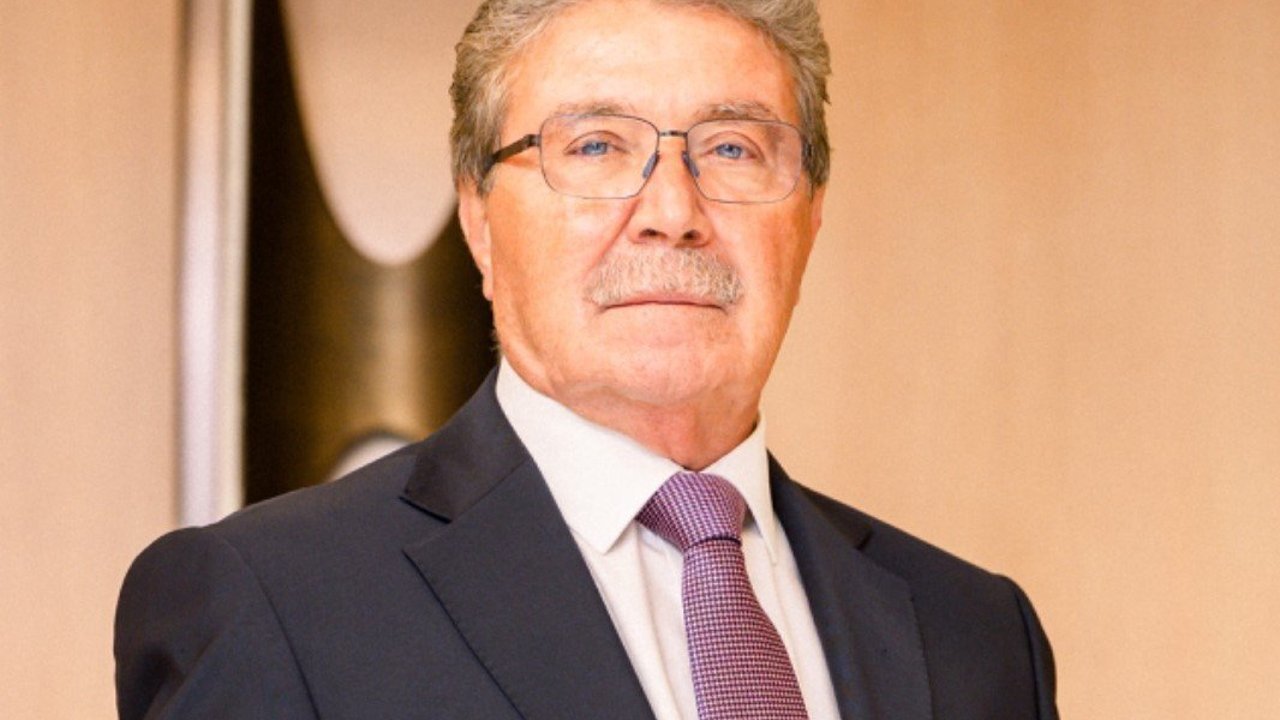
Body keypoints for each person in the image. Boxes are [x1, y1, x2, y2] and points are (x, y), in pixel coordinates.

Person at [115, 0, 1059, 718]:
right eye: (598, 146)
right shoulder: (273, 604)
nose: (673, 212)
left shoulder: (976, 636)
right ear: (480, 219)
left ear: (810, 218)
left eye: (734, 149)